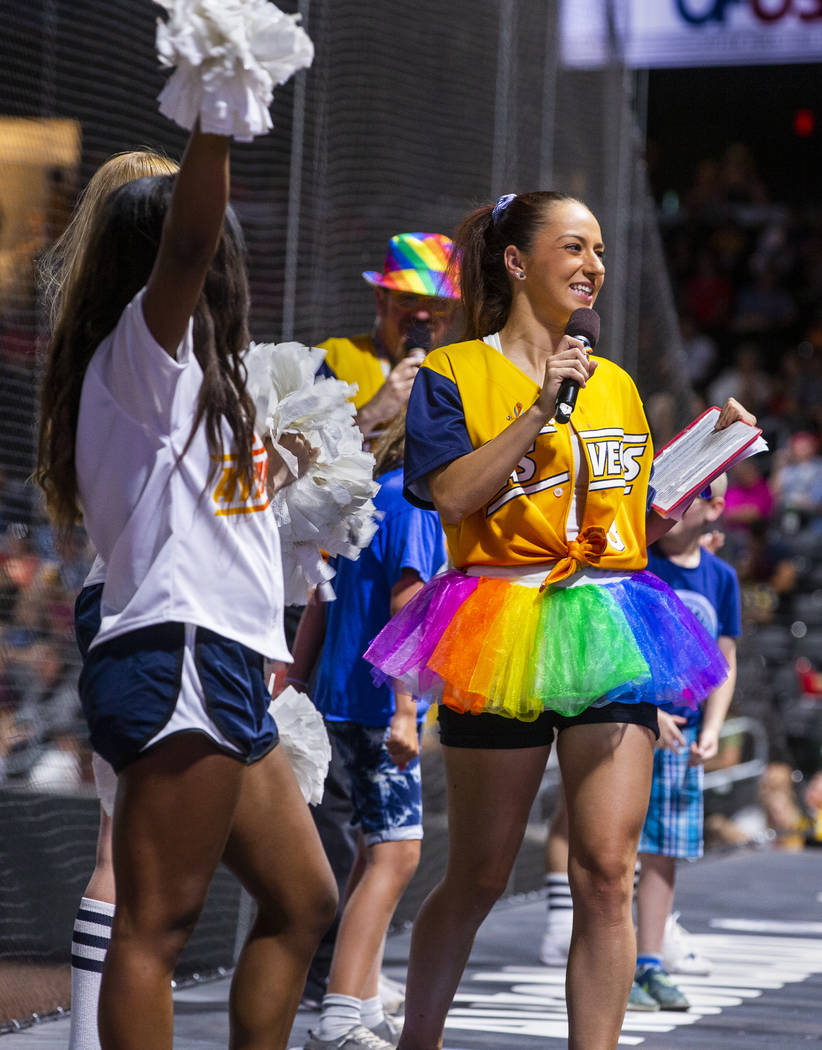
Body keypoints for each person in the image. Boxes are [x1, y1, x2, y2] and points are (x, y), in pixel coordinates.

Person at [363, 190, 755, 1050]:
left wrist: (706, 460)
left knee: (608, 873)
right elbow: (450, 497)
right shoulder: (451, 374)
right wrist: (541, 408)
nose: (594, 266)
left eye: (602, 250)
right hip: (498, 620)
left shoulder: (615, 384)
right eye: (574, 247)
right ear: (515, 262)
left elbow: (635, 521)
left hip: (613, 621)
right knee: (478, 874)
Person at [35, 121, 337, 1050]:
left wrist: (285, 468)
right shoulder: (139, 355)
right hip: (176, 659)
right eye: (217, 255)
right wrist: (217, 112)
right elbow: (192, 240)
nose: (225, 267)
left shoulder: (191, 385)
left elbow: (206, 510)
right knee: (155, 926)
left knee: (303, 899)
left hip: (223, 666)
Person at [38, 147, 178, 1050]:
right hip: (142, 608)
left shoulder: (100, 334)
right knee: (122, 857)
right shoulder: (135, 345)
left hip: (142, 602)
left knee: (133, 855)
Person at [285, 410, 447, 1050]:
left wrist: (296, 684)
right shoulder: (415, 506)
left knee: (373, 849)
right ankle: (340, 1018)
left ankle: (363, 996)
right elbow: (407, 607)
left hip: (340, 699)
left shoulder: (364, 499)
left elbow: (320, 602)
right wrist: (407, 711)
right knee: (397, 853)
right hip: (382, 708)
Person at [633, 475, 741, 1011]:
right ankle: (604, 955)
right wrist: (646, 709)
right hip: (629, 725)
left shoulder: (721, 578)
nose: (670, 500)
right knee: (612, 851)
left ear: (716, 508)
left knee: (663, 852)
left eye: (693, 490)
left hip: (684, 735)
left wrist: (714, 728)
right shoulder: (638, 562)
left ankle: (648, 963)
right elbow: (612, 644)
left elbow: (723, 661)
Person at [318, 233, 459, 440]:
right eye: (408, 299)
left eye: (438, 304)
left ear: (453, 314)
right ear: (381, 301)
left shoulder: (459, 378)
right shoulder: (333, 360)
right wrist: (371, 414)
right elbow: (302, 460)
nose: (422, 314)